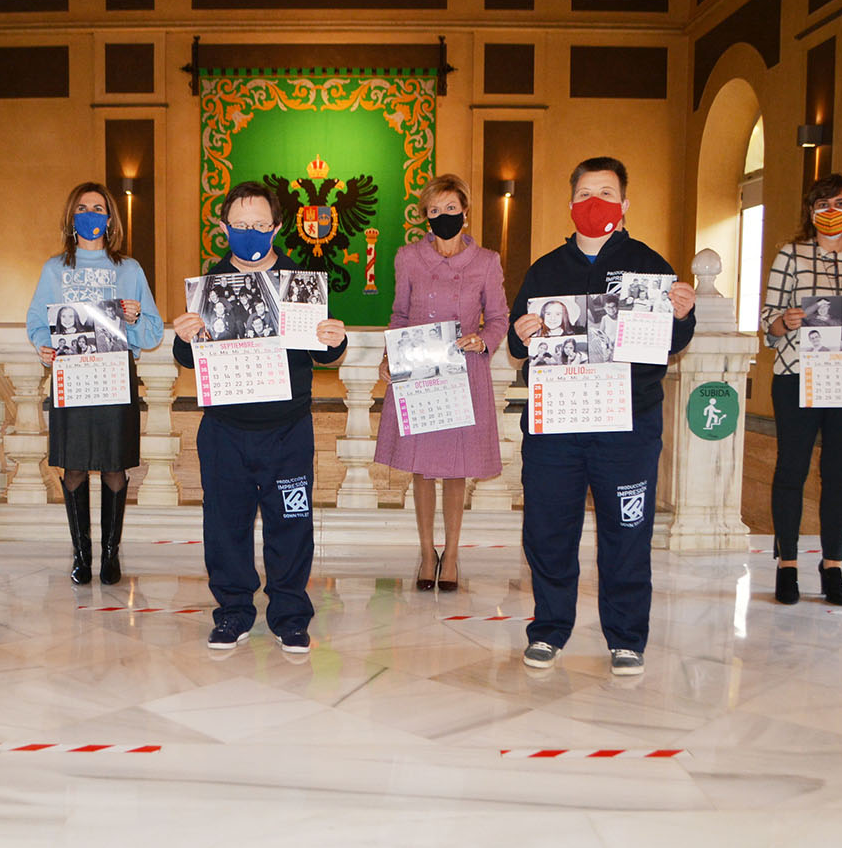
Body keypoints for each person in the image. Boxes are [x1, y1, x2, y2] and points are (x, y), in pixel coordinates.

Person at [507, 156, 696, 676]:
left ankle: (627, 637)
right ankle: (549, 629)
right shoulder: (545, 269)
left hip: (628, 428)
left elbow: (670, 344)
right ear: (571, 204)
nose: (597, 203)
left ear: (625, 203)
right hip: (557, 428)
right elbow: (515, 342)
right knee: (547, 530)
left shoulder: (651, 267)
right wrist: (520, 333)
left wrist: (682, 315)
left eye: (608, 193)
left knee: (627, 531)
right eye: (587, 193)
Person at [172, 180, 347, 654]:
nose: (251, 233)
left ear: (277, 228)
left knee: (291, 522)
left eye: (260, 225)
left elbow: (326, 353)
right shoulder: (208, 285)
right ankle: (232, 612)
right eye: (241, 225)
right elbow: (188, 360)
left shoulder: (300, 283)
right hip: (225, 432)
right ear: (223, 227)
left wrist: (336, 339)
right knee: (224, 525)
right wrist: (185, 334)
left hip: (288, 431)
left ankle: (290, 615)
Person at [761, 173, 842, 607]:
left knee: (839, 472)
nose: (832, 211)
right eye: (823, 204)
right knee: (791, 469)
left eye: (841, 203)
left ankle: (833, 564)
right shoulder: (790, 254)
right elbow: (768, 321)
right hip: (796, 373)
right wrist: (784, 322)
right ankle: (787, 563)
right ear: (811, 210)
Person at [26, 182, 163, 586]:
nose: (91, 215)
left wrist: (136, 318)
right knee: (73, 468)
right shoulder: (55, 269)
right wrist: (42, 346)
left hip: (116, 377)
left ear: (110, 217)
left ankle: (110, 555)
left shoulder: (129, 269)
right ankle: (81, 555)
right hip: (72, 378)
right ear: (72, 217)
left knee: (114, 467)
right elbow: (37, 322)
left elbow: (152, 333)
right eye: (82, 208)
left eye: (98, 207)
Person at [374, 174, 506, 592]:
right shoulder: (408, 257)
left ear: (465, 212)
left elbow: (499, 318)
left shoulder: (486, 262)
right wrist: (387, 354)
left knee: (455, 471)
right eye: (435, 211)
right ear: (425, 217)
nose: (443, 217)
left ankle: (451, 553)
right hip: (418, 371)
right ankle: (426, 551)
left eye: (451, 209)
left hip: (464, 370)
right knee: (422, 469)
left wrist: (482, 340)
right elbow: (399, 314)